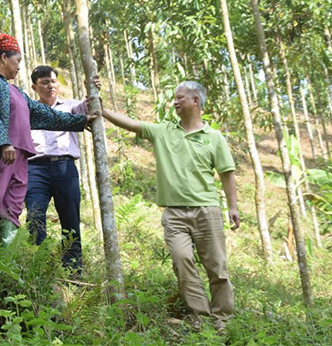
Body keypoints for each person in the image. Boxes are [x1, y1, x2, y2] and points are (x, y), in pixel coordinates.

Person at [101, 81, 239, 330]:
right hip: (174, 213)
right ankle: (201, 316)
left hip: (207, 210)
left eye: (180, 97)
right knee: (182, 261)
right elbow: (132, 124)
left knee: (217, 267)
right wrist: (103, 111)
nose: (175, 102)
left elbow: (227, 173)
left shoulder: (214, 138)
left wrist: (233, 207)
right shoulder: (164, 131)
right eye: (174, 98)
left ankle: (223, 320)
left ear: (195, 101)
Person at [0, 34, 96, 246]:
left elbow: (45, 115)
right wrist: (3, 142)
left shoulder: (16, 91)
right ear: (4, 58)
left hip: (20, 157)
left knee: (12, 206)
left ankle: (2, 257)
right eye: (17, 61)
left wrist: (80, 122)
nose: (18, 67)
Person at [25, 65, 90, 274]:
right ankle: (39, 266)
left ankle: (73, 269)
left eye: (53, 81)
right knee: (35, 216)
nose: (50, 86)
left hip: (65, 167)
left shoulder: (71, 106)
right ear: (35, 87)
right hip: (35, 168)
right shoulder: (29, 110)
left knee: (70, 217)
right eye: (44, 82)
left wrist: (92, 89)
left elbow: (90, 108)